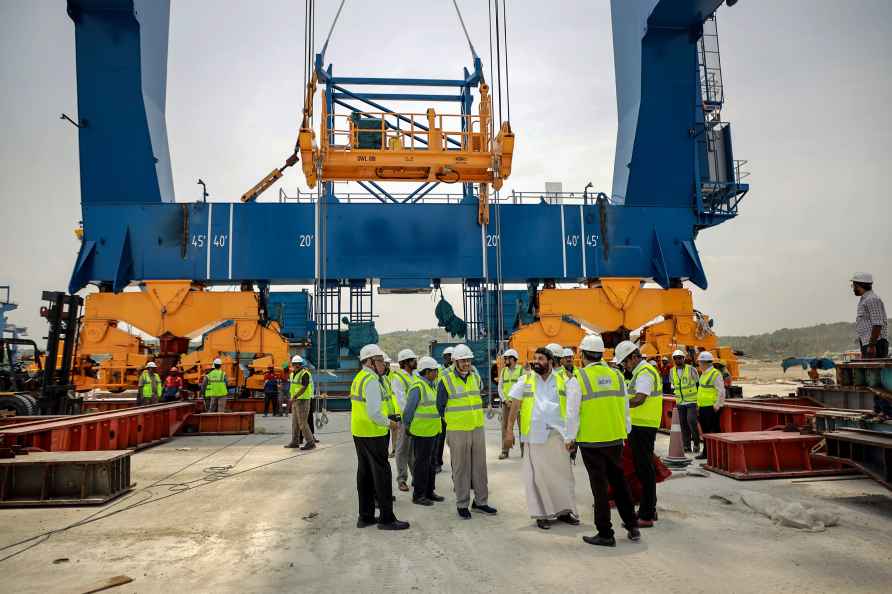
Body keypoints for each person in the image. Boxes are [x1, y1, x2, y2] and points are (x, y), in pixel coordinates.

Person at [566, 334, 640, 547]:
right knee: (620, 483)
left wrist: (570, 438)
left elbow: (572, 413)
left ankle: (606, 533)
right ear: (601, 354)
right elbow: (624, 406)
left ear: (582, 354)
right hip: (615, 439)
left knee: (599, 488)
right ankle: (632, 525)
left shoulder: (578, 379)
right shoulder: (617, 375)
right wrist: (625, 430)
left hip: (592, 442)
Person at [503, 347, 578, 530]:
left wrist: (572, 435)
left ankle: (564, 511)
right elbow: (515, 405)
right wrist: (509, 431)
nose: (536, 361)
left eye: (541, 358)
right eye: (535, 358)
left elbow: (572, 409)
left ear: (551, 361)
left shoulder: (564, 380)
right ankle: (542, 514)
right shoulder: (526, 379)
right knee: (537, 478)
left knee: (563, 476)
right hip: (534, 436)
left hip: (558, 435)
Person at [350, 344, 409, 530]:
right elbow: (375, 412)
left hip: (360, 432)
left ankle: (365, 516)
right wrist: (390, 423)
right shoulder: (371, 380)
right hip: (374, 433)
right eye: (380, 360)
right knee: (382, 474)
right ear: (369, 362)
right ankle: (386, 518)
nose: (383, 364)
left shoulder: (359, 377)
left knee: (365, 474)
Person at [437, 343, 497, 519]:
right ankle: (462, 504)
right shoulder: (445, 380)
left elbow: (478, 396)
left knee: (480, 467)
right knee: (461, 468)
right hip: (457, 430)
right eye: (462, 361)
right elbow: (440, 406)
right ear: (455, 361)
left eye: (468, 360)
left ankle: (481, 502)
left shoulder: (475, 377)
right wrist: (452, 421)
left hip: (477, 427)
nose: (466, 363)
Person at [614, 340, 662, 528]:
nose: (625, 365)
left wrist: (619, 404)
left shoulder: (645, 372)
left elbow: (640, 399)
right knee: (645, 468)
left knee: (645, 470)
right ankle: (650, 507)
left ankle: (646, 515)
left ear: (634, 357)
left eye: (626, 361)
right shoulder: (638, 373)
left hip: (643, 426)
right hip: (639, 425)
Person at [402, 356, 445, 506]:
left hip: (433, 431)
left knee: (431, 463)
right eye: (434, 370)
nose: (437, 372)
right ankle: (418, 495)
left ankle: (429, 491)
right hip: (421, 432)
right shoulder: (418, 387)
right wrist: (407, 426)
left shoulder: (432, 385)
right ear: (427, 372)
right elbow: (408, 411)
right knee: (421, 464)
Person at [392, 349, 418, 492]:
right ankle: (402, 479)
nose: (416, 362)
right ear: (406, 362)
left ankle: (416, 477)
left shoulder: (416, 376)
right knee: (402, 450)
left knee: (414, 450)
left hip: (418, 419)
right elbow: (402, 401)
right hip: (406, 419)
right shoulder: (398, 378)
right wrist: (408, 418)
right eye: (413, 360)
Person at [695, 351, 725, 460]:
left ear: (705, 363)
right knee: (706, 432)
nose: (699, 364)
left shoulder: (715, 374)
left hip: (711, 408)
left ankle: (718, 454)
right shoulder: (703, 374)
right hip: (703, 408)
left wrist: (717, 406)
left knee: (714, 431)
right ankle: (707, 453)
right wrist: (698, 405)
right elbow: (701, 391)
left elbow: (721, 391)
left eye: (700, 362)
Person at [852, 273, 888, 360]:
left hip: (876, 345)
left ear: (861, 285)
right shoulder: (865, 299)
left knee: (873, 373)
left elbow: (877, 324)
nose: (853, 289)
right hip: (869, 344)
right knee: (869, 373)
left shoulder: (872, 299)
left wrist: (871, 346)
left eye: (854, 286)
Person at [670, 349, 700, 454]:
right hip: (680, 402)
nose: (678, 360)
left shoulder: (691, 369)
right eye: (676, 358)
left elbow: (697, 384)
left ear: (683, 359)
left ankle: (696, 444)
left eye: (680, 358)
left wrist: (698, 401)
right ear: (674, 360)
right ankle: (686, 446)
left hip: (691, 401)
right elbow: (673, 385)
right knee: (683, 424)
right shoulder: (672, 371)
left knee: (691, 421)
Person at [285, 355, 315, 450]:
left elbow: (304, 387)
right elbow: (293, 387)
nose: (296, 366)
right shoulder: (292, 374)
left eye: (298, 364)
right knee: (295, 423)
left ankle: (310, 442)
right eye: (295, 364)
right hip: (295, 400)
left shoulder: (305, 374)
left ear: (301, 364)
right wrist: (292, 397)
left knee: (302, 423)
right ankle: (295, 442)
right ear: (292, 364)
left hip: (303, 400)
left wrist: (295, 396)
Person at [498, 348, 523, 459]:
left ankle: (525, 452)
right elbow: (500, 387)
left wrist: (515, 401)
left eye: (507, 359)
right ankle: (505, 451)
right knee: (505, 428)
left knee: (523, 428)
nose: (505, 361)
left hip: (519, 404)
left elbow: (524, 387)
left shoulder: (521, 371)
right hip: (506, 404)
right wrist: (505, 400)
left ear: (513, 359)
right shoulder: (503, 371)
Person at [433, 346, 455, 473]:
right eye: (447, 356)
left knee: (455, 440)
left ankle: (456, 464)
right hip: (442, 408)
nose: (449, 359)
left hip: (454, 409)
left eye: (450, 356)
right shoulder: (439, 371)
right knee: (440, 438)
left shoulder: (457, 370)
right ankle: (437, 462)